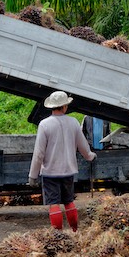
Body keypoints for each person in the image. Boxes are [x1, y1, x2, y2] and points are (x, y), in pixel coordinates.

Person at [28, 90, 96, 231]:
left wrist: (33, 175)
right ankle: (75, 231)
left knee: (54, 204)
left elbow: (39, 153)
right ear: (65, 106)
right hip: (68, 171)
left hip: (50, 172)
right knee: (69, 202)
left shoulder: (44, 124)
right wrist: (90, 156)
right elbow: (83, 146)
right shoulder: (73, 122)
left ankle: (58, 235)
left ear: (51, 106)